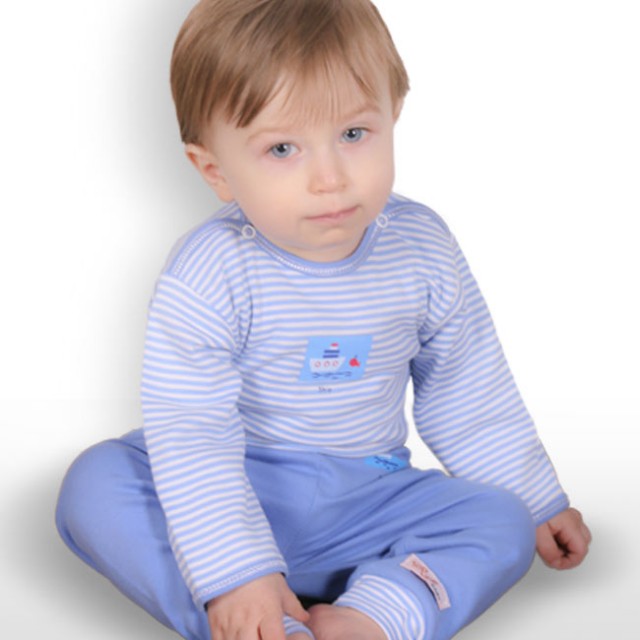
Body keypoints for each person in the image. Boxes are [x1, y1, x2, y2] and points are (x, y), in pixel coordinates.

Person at [55, 1, 592, 639]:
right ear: (215, 170)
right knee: (95, 483)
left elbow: (467, 385)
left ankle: (374, 614)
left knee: (499, 520)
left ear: (394, 114)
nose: (330, 178)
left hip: (369, 502)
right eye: (283, 148)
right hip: (225, 489)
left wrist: (535, 498)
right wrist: (234, 569)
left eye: (354, 134)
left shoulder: (421, 247)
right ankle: (253, 616)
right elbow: (192, 430)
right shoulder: (208, 272)